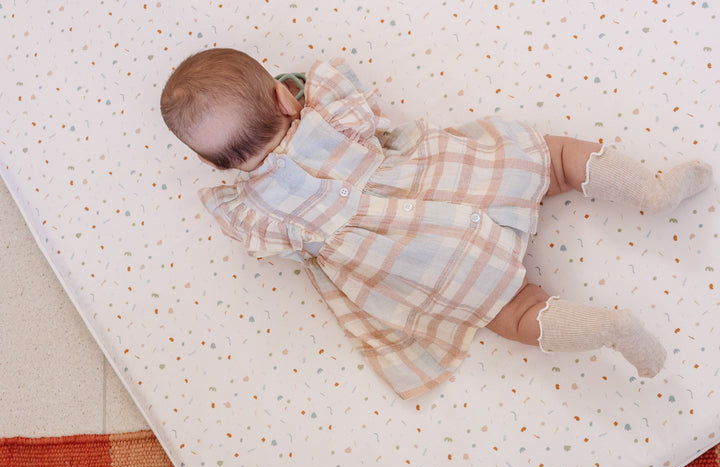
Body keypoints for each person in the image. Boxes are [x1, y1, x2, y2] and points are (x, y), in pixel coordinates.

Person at [160, 48, 713, 399]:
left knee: (514, 313)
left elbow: (260, 242)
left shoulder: (254, 211)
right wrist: (299, 91)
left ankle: (610, 328)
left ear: (214, 163)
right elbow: (333, 79)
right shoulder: (329, 119)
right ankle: (652, 190)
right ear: (284, 98)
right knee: (553, 160)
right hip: (451, 181)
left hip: (419, 263)